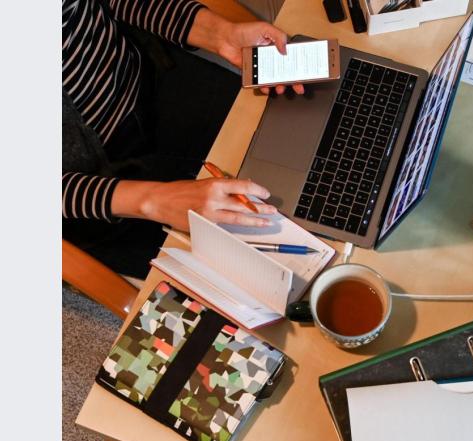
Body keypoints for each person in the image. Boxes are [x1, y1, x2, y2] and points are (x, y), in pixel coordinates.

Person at [62, 0, 302, 277]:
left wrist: (218, 33)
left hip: (148, 78)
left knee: (302, 154)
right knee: (263, 275)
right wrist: (153, 201)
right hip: (95, 193)